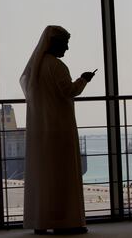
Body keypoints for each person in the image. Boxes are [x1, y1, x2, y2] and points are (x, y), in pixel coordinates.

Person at [19, 25, 95, 235]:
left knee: (44, 177)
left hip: (40, 130)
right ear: (55, 43)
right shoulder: (57, 66)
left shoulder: (36, 67)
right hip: (60, 129)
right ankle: (65, 223)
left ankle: (41, 221)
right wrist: (84, 79)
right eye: (65, 43)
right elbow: (68, 91)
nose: (67, 48)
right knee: (63, 177)